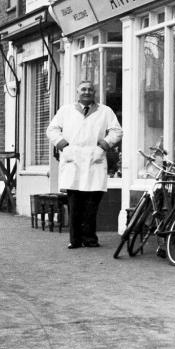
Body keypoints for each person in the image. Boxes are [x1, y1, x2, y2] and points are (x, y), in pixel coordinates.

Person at [46, 81, 123, 249]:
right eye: (83, 89)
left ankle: (90, 239)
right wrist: (63, 146)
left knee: (92, 205)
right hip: (73, 161)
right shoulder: (66, 111)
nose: (87, 92)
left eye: (90, 89)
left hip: (94, 161)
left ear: (94, 92)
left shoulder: (105, 111)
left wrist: (103, 145)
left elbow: (117, 131)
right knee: (75, 205)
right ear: (77, 92)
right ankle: (75, 240)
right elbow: (52, 130)